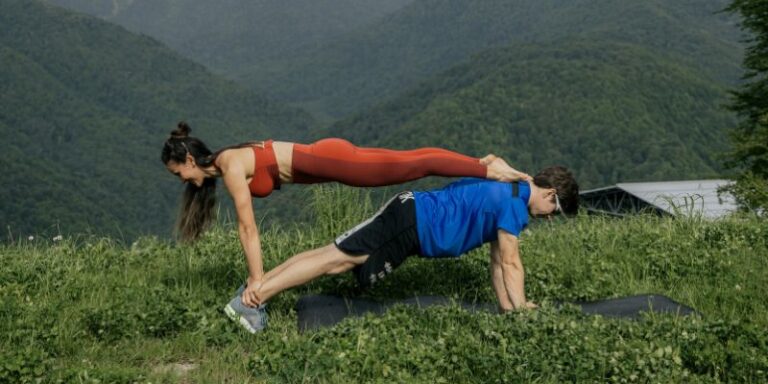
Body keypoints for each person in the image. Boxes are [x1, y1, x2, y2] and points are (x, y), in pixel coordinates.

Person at [161, 121, 533, 303]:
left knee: (412, 165)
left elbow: (248, 229)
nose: (181, 180)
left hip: (330, 160)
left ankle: (486, 166)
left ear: (189, 159)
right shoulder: (224, 162)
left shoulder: (228, 164)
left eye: (178, 173)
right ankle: (482, 166)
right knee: (410, 163)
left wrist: (256, 278)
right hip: (327, 158)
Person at [224, 166, 579, 333]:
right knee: (334, 260)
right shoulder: (514, 206)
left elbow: (499, 262)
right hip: (410, 225)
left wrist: (507, 307)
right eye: (555, 212)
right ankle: (252, 301)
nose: (549, 219)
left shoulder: (511, 190)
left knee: (332, 256)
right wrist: (521, 316)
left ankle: (257, 292)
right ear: (550, 195)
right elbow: (512, 263)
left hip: (410, 216)